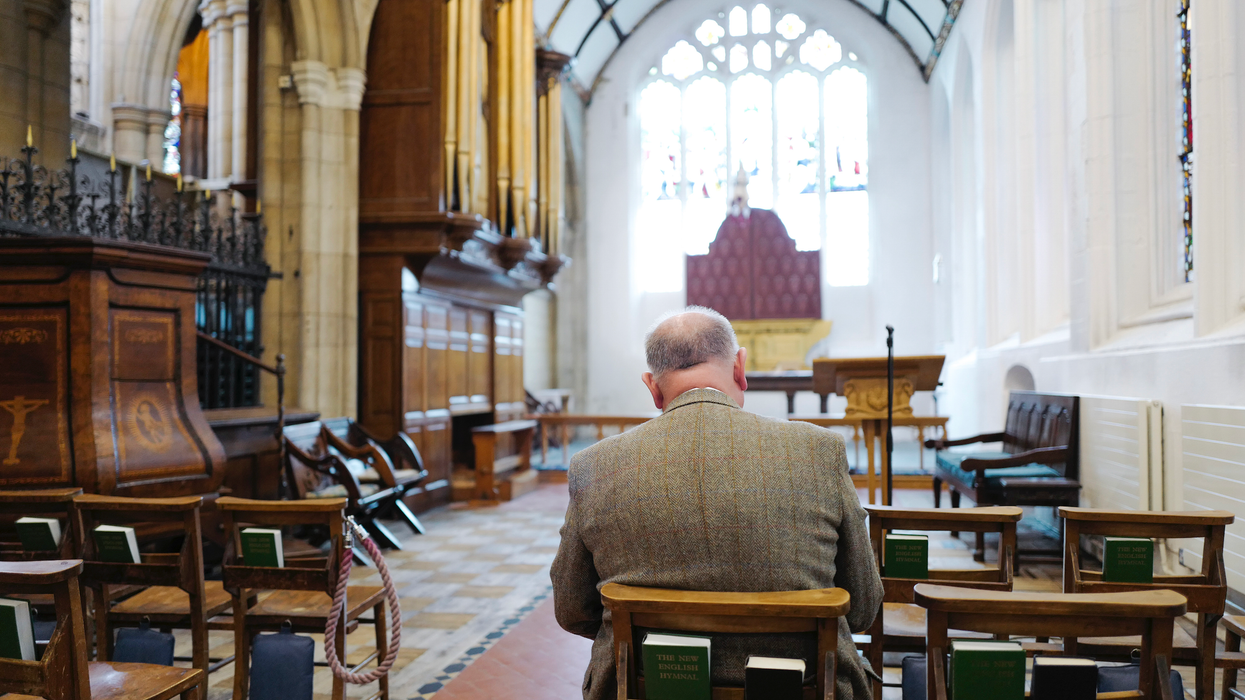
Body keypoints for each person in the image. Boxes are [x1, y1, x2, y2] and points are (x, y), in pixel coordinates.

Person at [551, 306, 883, 700]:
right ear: (740, 368)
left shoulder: (593, 466)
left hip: (642, 688)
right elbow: (862, 605)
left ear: (652, 387)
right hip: (807, 686)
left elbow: (572, 608)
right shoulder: (818, 451)